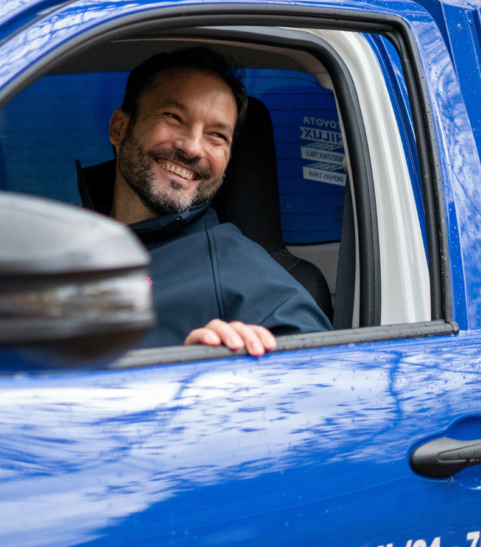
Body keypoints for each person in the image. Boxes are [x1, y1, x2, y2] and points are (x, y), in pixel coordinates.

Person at [77, 47, 331, 355]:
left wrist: (215, 380)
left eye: (217, 136)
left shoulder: (242, 275)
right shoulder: (63, 247)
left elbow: (320, 375)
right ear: (119, 128)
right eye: (174, 117)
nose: (194, 148)